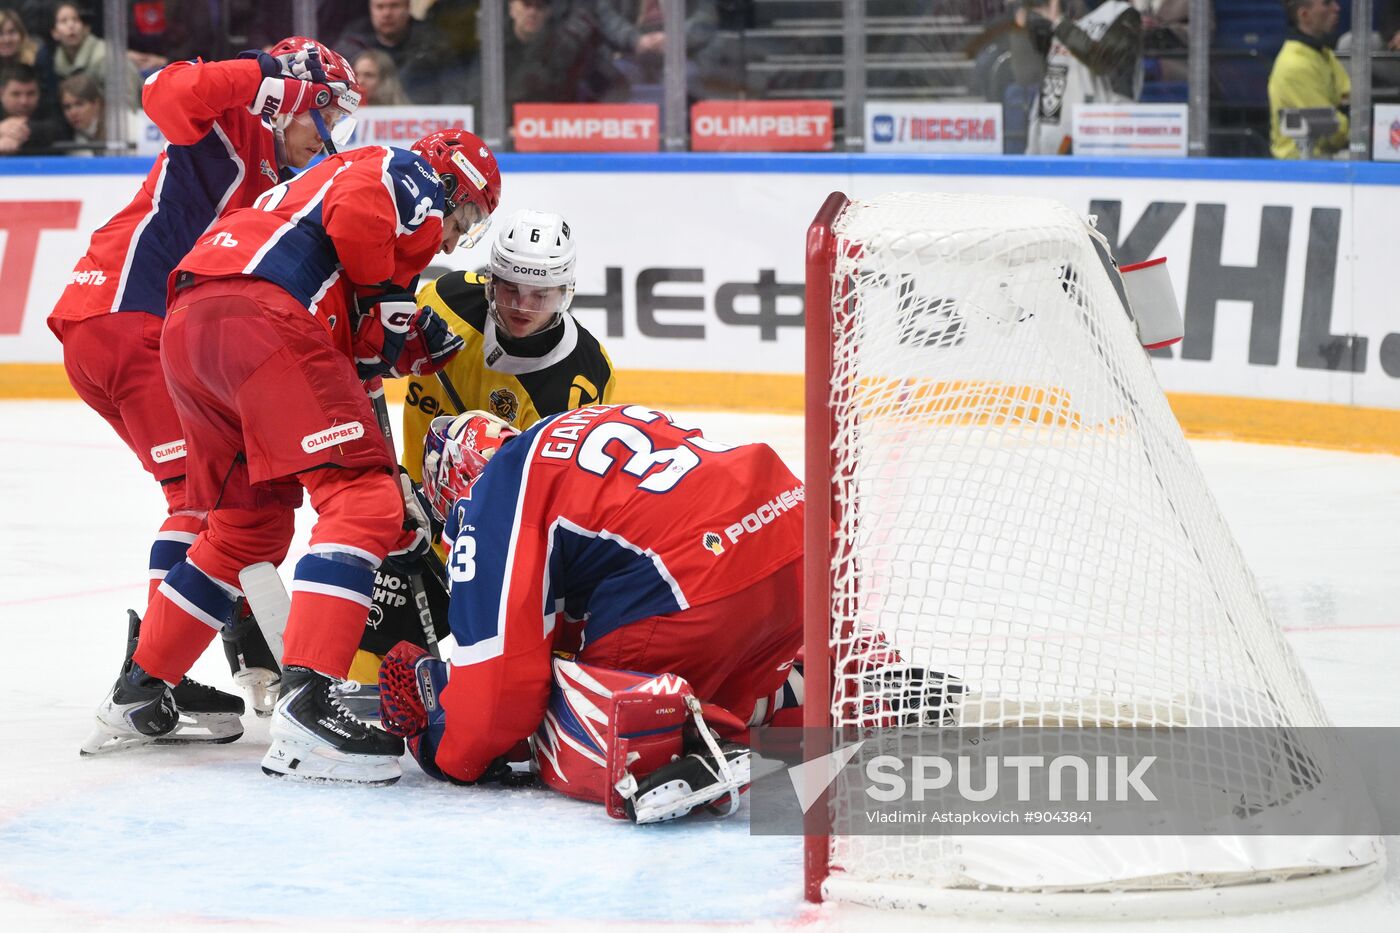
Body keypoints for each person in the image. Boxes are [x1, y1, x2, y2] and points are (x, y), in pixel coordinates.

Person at [81, 129, 503, 789]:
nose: (454, 238)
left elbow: (354, 374)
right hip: (262, 317)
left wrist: (393, 338)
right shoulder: (407, 171)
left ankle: (139, 688)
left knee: (246, 527)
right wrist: (386, 300)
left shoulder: (318, 190)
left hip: (191, 326)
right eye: (468, 215)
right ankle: (308, 704)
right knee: (360, 498)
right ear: (452, 182)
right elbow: (360, 207)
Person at [54, 38, 361, 735]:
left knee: (200, 497)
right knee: (208, 505)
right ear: (291, 101)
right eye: (327, 113)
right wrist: (261, 76)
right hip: (130, 320)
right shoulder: (233, 119)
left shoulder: (277, 182)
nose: (331, 135)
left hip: (120, 328)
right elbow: (161, 89)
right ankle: (148, 682)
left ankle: (165, 668)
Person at [377, 404, 806, 821]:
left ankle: (685, 743)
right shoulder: (562, 438)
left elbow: (499, 693)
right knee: (712, 660)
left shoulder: (490, 494)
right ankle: (810, 684)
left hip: (696, 581)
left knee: (561, 708)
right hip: (797, 538)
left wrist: (441, 744)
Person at [350, 209, 616, 683]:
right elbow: (365, 367)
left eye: (541, 294)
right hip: (411, 506)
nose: (522, 305)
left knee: (515, 670)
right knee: (370, 654)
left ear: (565, 293)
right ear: (491, 279)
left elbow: (559, 500)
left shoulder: (580, 379)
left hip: (507, 538)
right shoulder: (446, 301)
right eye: (511, 287)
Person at [1021, 0, 1143, 155]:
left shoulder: (1124, 14)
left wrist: (1059, 23)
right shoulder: (1062, 12)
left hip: (1098, 135)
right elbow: (1029, 74)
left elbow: (1102, 61)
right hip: (1053, 126)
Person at [335, 0, 459, 104]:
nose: (387, 13)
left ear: (408, 7)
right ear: (371, 9)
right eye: (380, 7)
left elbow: (453, 93)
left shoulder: (433, 45)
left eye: (394, 6)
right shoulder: (350, 46)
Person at [1268, 0, 1349, 160]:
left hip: (1326, 156)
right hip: (1299, 163)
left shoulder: (1324, 54)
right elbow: (1332, 129)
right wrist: (1349, 120)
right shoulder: (1295, 64)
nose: (1337, 8)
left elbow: (1352, 100)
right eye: (1327, 3)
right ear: (1305, 15)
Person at [594, 0, 716, 86]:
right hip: (625, 53)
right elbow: (605, 14)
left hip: (683, 54)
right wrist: (634, 40)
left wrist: (674, 39)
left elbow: (705, 16)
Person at [43, 2, 141, 107]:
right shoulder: (58, 65)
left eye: (76, 20)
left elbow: (127, 106)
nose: (71, 25)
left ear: (85, 27)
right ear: (54, 33)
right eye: (63, 21)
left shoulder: (106, 57)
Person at [0, 61, 61, 153]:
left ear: (39, 93)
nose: (24, 101)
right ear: (1, 94)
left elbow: (59, 129)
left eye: (30, 94)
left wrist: (14, 130)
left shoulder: (48, 107)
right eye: (16, 94)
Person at [56, 71, 100, 151]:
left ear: (95, 104)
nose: (73, 113)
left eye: (79, 104)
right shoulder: (71, 137)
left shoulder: (121, 126)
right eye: (67, 107)